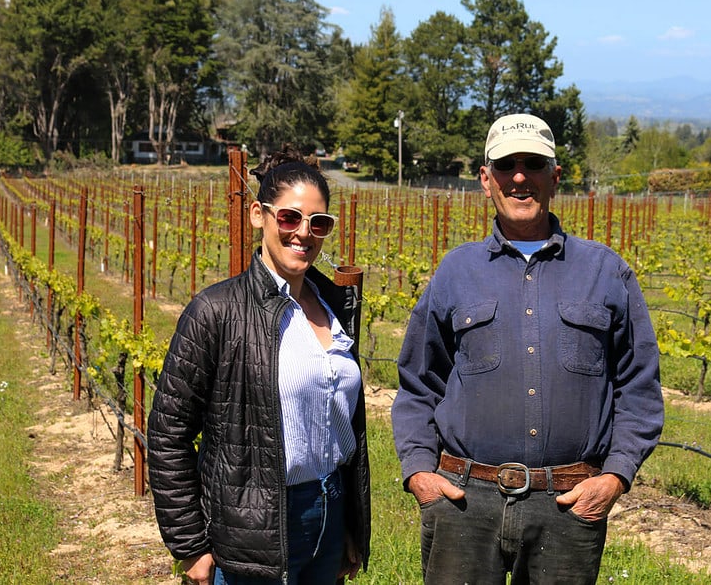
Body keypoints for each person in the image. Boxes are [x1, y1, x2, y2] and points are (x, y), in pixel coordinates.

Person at [391, 113, 664, 584]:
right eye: (506, 165)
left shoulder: (606, 272)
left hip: (569, 505)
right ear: (485, 179)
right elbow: (419, 383)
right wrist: (419, 472)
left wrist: (615, 477)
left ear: (555, 177)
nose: (519, 176)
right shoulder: (456, 271)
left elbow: (638, 387)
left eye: (533, 163)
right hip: (463, 501)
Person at [148, 146, 371, 585]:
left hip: (328, 511)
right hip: (252, 531)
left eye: (318, 223)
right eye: (289, 218)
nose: (303, 233)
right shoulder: (216, 311)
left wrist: (349, 524)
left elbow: (342, 425)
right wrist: (190, 545)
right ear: (258, 215)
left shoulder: (335, 307)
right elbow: (168, 431)